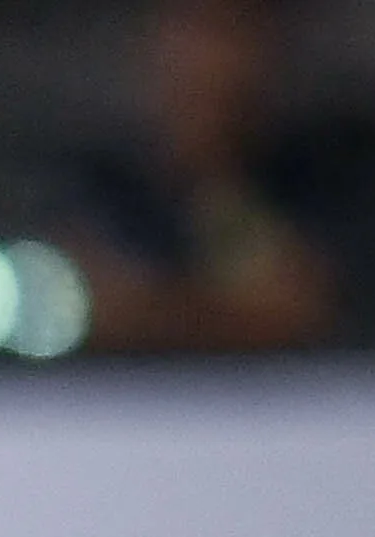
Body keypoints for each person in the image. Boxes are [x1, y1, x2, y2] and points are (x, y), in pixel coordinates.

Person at [70, 0, 339, 352]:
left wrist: (212, 174)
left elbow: (293, 309)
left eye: (227, 31)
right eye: (190, 30)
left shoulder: (316, 177)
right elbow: (81, 304)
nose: (207, 61)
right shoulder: (98, 182)